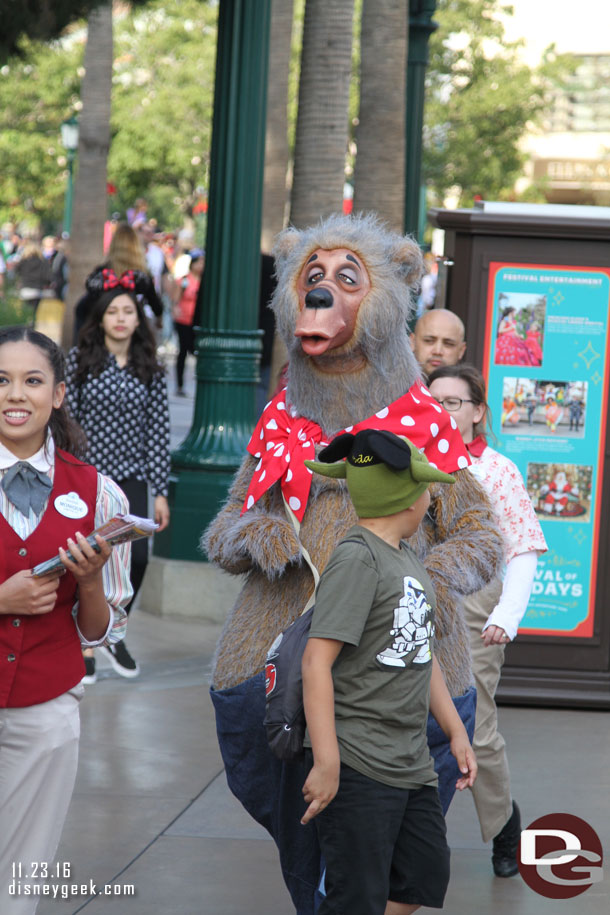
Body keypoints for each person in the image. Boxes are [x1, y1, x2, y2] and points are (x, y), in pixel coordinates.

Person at [300, 429, 477, 915]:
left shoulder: (404, 558)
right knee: (356, 896)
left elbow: (422, 648)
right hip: (359, 762)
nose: (429, 496)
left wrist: (455, 730)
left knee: (422, 876)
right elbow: (317, 660)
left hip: (411, 760)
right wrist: (327, 760)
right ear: (407, 497)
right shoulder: (357, 558)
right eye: (425, 487)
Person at [0, 326, 131, 914]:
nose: (15, 394)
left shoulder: (100, 494)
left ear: (56, 394)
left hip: (46, 710)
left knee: (22, 876)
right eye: (2, 380)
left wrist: (90, 579)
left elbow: (101, 632)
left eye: (32, 380)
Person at [427, 364, 547, 878]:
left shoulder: (497, 470)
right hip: (415, 601)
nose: (444, 410)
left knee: (474, 726)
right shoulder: (409, 460)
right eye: (435, 401)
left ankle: (503, 824)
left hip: (477, 608)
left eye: (454, 402)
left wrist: (506, 615)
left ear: (477, 412)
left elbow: (523, 548)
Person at [65, 287, 171, 680]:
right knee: (86, 557)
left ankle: (113, 628)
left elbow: (158, 431)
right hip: (87, 476)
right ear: (101, 319)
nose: (121, 318)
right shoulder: (80, 361)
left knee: (137, 559)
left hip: (134, 479)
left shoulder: (150, 367)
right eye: (113, 311)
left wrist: (160, 491)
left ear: (138, 320)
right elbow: (67, 421)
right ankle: (85, 644)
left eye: (129, 311)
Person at [74, 223, 163, 338]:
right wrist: (158, 319)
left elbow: (84, 304)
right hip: (133, 333)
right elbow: (155, 304)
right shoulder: (142, 276)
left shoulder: (103, 273)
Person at [172, 248, 204, 395]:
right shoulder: (184, 280)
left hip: (197, 322)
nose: (202, 266)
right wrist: (175, 311)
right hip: (183, 321)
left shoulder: (204, 281)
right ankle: (179, 384)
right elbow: (176, 299)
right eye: (199, 262)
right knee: (183, 351)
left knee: (196, 351)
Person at [409, 308, 466, 379]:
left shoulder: (469, 389)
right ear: (412, 342)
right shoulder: (394, 387)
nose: (437, 351)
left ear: (461, 350)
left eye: (448, 344)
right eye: (429, 341)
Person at [14, 241, 54, 322]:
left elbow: (16, 272)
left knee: (25, 313)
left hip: (25, 289)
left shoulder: (23, 261)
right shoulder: (43, 261)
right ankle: (32, 326)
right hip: (37, 290)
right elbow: (47, 276)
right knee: (34, 313)